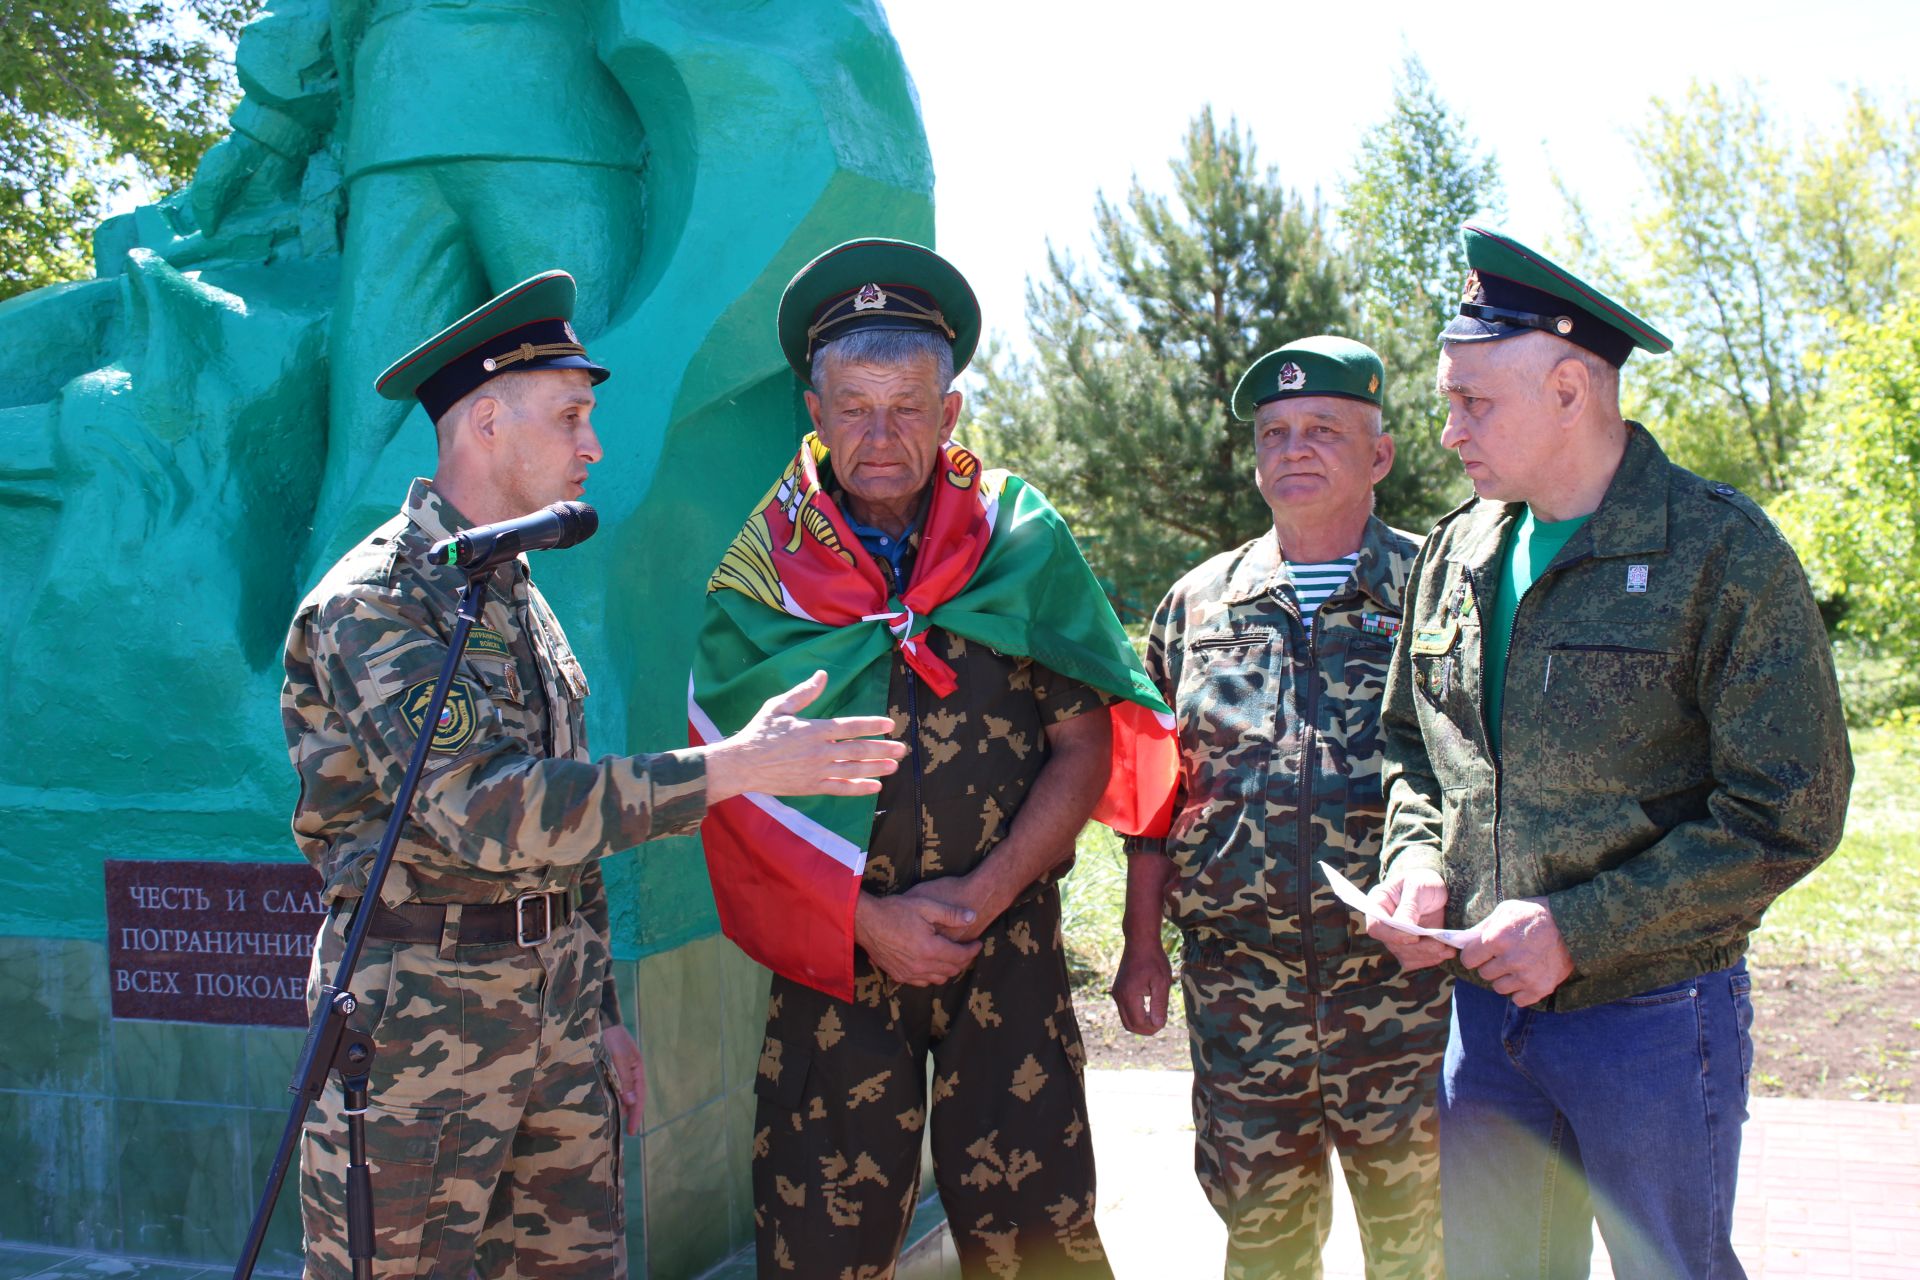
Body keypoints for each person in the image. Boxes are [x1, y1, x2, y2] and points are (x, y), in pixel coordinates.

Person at [282, 269, 907, 1279]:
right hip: (418, 1041)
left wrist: (601, 1016)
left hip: (556, 1025)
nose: (594, 445)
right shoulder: (378, 603)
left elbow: (569, 837)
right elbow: (489, 813)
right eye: (573, 416)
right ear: (486, 421)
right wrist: (732, 768)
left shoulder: (515, 590)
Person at [1368, 225, 1853, 1278]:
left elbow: (1790, 809)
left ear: (1572, 389)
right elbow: (1412, 743)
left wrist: (1580, 929)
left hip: (1649, 1022)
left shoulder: (1721, 551)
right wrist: (1414, 862)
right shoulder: (1458, 550)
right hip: (1484, 1018)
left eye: (1472, 402)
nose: (1447, 431)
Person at [695, 239, 1167, 1278]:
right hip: (835, 958)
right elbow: (730, 785)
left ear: (950, 414)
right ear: (811, 414)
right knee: (818, 1241)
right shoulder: (764, 568)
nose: (878, 435)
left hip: (1007, 947)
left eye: (907, 406)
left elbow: (1083, 743)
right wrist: (869, 921)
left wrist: (984, 895)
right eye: (852, 406)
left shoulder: (1020, 540)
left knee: (1040, 1235)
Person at [1112, 337, 1448, 1279]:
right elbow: (1152, 798)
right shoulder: (1198, 604)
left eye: (1325, 431)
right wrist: (1144, 945)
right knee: (1263, 1248)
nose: (1295, 449)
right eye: (1276, 432)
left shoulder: (1436, 593)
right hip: (1242, 997)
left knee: (1418, 1244)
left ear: (1378, 456)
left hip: (1402, 997)